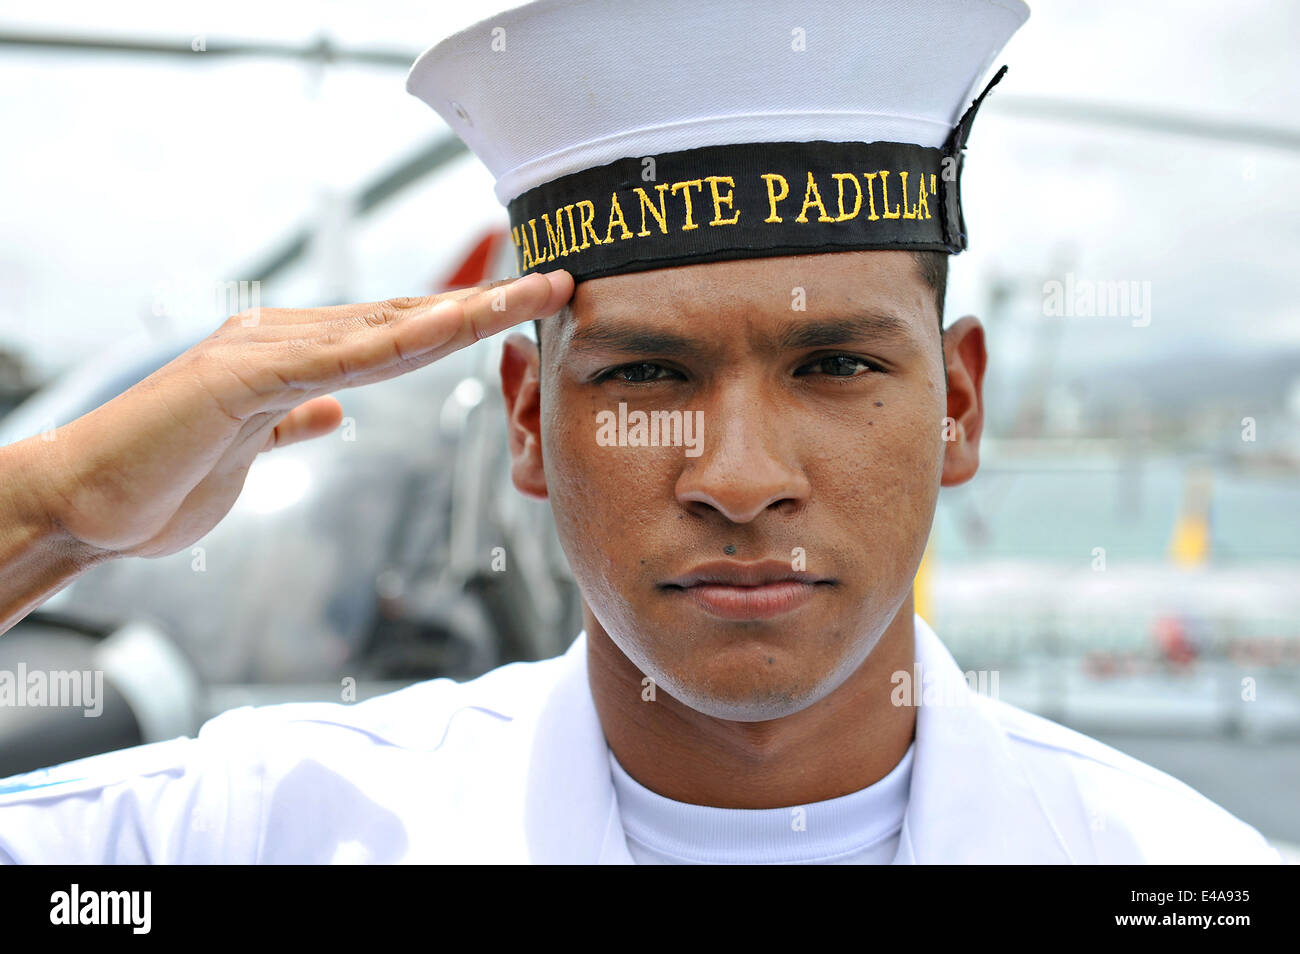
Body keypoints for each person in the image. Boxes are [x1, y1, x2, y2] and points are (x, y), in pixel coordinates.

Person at [0, 0, 1280, 864]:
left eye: (834, 363)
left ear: (957, 404)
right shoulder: (265, 833)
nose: (737, 478)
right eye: (644, 375)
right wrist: (47, 509)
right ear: (528, 421)